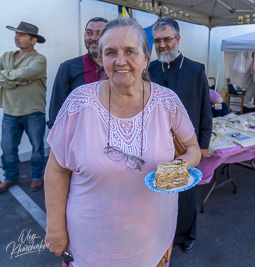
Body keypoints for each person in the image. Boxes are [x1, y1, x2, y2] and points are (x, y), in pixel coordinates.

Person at [44, 17, 201, 266]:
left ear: (145, 58)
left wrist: (178, 167)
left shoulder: (167, 101)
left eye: (130, 51)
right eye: (110, 52)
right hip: (89, 247)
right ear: (101, 59)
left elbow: (193, 149)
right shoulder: (78, 102)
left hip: (153, 242)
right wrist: (55, 228)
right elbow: (56, 169)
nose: (120, 61)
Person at [148, 17, 212, 253]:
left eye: (167, 39)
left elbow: (206, 109)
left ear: (178, 39)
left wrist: (203, 144)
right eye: (157, 41)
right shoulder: (150, 70)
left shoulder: (196, 70)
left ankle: (185, 234)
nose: (162, 45)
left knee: (184, 192)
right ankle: (162, 233)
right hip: (155, 145)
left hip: (186, 147)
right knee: (158, 192)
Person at [0, 21, 47, 193]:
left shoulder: (39, 60)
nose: (17, 37)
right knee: (7, 148)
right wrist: (14, 83)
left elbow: (26, 73)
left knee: (36, 148)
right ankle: (10, 178)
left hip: (33, 110)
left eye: (21, 35)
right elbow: (19, 77)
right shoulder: (6, 57)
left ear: (33, 40)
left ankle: (37, 176)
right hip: (10, 111)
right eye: (16, 34)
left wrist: (5, 77)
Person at [47, 17, 108, 128]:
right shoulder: (68, 68)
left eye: (100, 33)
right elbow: (57, 109)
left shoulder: (118, 68)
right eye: (89, 33)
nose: (93, 38)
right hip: (79, 138)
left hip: (113, 139)